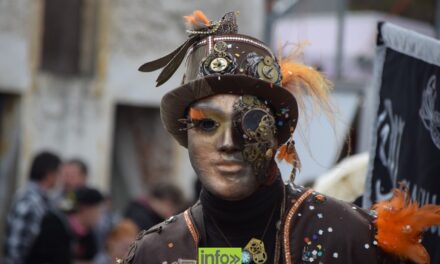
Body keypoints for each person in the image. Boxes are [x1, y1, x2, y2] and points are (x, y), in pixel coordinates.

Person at [123, 11, 440, 264]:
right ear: (186, 135)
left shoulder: (349, 240)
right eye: (207, 124)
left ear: (276, 135)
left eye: (251, 123)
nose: (228, 142)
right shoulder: (155, 253)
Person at [4, 151, 62, 264]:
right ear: (49, 174)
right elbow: (16, 244)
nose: (60, 179)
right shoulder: (29, 200)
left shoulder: (42, 199)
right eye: (59, 173)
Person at [67, 186, 105, 263]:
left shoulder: (91, 236)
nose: (99, 216)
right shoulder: (62, 228)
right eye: (97, 210)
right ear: (85, 209)